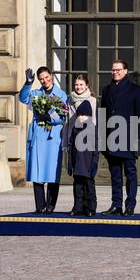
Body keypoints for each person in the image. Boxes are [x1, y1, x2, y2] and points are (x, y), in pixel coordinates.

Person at [19, 67, 67, 214]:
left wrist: (51, 118)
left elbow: (63, 116)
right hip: (39, 135)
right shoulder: (36, 93)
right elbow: (23, 98)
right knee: (37, 170)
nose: (45, 80)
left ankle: (51, 206)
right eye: (41, 79)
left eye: (47, 77)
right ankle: (40, 205)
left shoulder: (60, 94)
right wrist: (28, 83)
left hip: (53, 137)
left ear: (51, 76)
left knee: (52, 171)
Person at [100, 60, 140, 216]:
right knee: (115, 175)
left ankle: (130, 205)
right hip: (111, 138)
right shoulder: (106, 90)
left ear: (125, 71)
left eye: (118, 70)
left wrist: (138, 141)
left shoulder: (136, 90)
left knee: (130, 173)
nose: (115, 72)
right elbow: (102, 116)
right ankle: (116, 205)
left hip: (128, 138)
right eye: (113, 70)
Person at [63, 75, 99, 216]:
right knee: (77, 184)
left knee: (89, 184)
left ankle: (90, 207)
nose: (78, 87)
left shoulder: (92, 101)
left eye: (81, 84)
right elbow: (68, 122)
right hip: (75, 135)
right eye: (76, 84)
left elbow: (95, 121)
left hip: (88, 140)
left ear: (87, 85)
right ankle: (78, 207)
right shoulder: (70, 99)